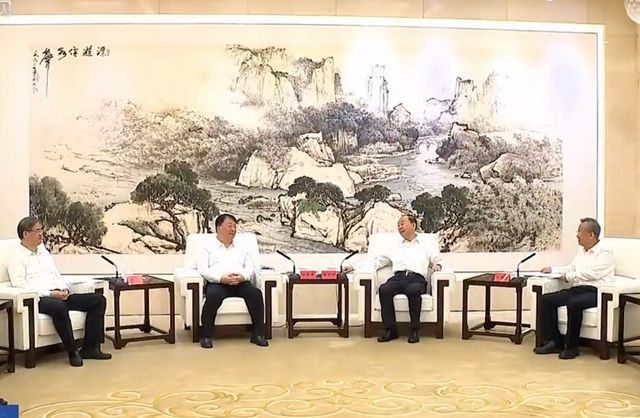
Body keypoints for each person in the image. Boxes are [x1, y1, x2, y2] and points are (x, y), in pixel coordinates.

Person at [7, 216, 111, 367]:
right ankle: (72, 352)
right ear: (25, 234)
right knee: (58, 306)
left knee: (98, 300)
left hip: (58, 294)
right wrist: (50, 293)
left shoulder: (43, 252)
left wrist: (64, 288)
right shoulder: (16, 258)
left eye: (41, 230)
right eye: (38, 230)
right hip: (39, 299)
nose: (41, 234)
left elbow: (56, 274)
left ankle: (90, 348)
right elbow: (20, 285)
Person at [346, 214, 443, 343]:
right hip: (398, 278)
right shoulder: (395, 247)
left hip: (416, 279)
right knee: (384, 289)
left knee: (413, 291)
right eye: (398, 225)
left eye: (402, 223)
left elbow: (438, 260)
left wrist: (438, 265)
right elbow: (376, 261)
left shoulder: (425, 245)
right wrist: (353, 266)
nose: (399, 227)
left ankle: (414, 330)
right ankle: (390, 330)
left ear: (413, 225)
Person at [534, 217, 615, 359]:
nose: (577, 235)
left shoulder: (605, 252)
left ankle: (571, 347)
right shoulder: (582, 250)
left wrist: (569, 276)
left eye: (579, 232)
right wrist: (553, 269)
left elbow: (593, 274)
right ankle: (554, 342)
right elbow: (572, 267)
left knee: (574, 304)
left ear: (591, 235)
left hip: (596, 291)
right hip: (578, 288)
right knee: (546, 300)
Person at [197, 213, 268, 349]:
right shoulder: (208, 247)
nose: (233, 229)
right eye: (229, 226)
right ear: (219, 228)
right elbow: (203, 269)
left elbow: (250, 268)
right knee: (212, 296)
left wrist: (242, 277)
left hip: (240, 283)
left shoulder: (242, 248)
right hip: (218, 283)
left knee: (256, 294)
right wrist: (220, 278)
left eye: (235, 227)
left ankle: (258, 335)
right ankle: (206, 336)